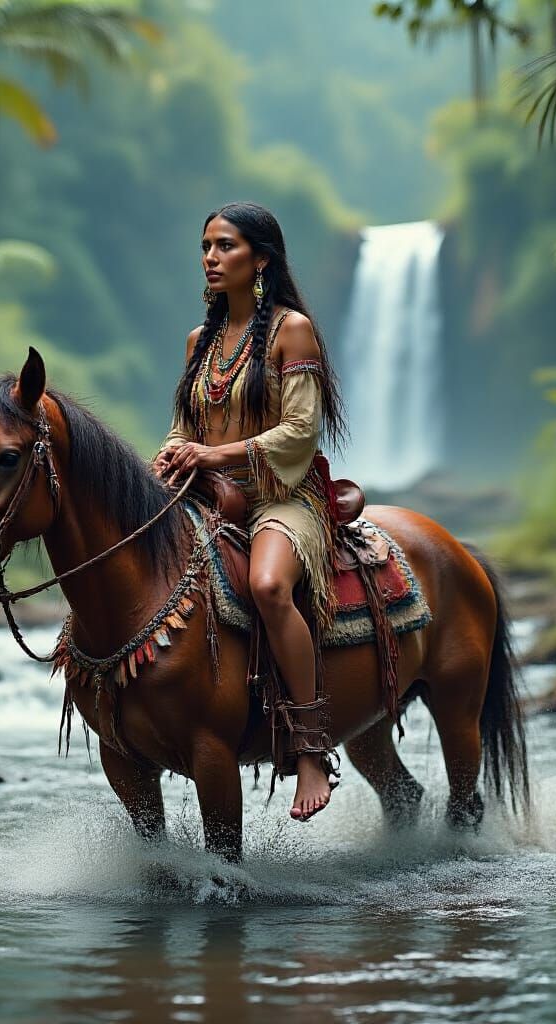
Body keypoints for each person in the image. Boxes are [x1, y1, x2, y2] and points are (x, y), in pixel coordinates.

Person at [152, 201, 347, 822]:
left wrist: (214, 454)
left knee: (267, 586)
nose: (211, 258)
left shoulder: (293, 330)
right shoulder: (199, 341)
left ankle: (310, 748)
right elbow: (182, 427)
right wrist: (170, 457)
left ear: (260, 260)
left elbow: (300, 432)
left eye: (226, 246)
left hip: (281, 497)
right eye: (206, 246)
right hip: (207, 495)